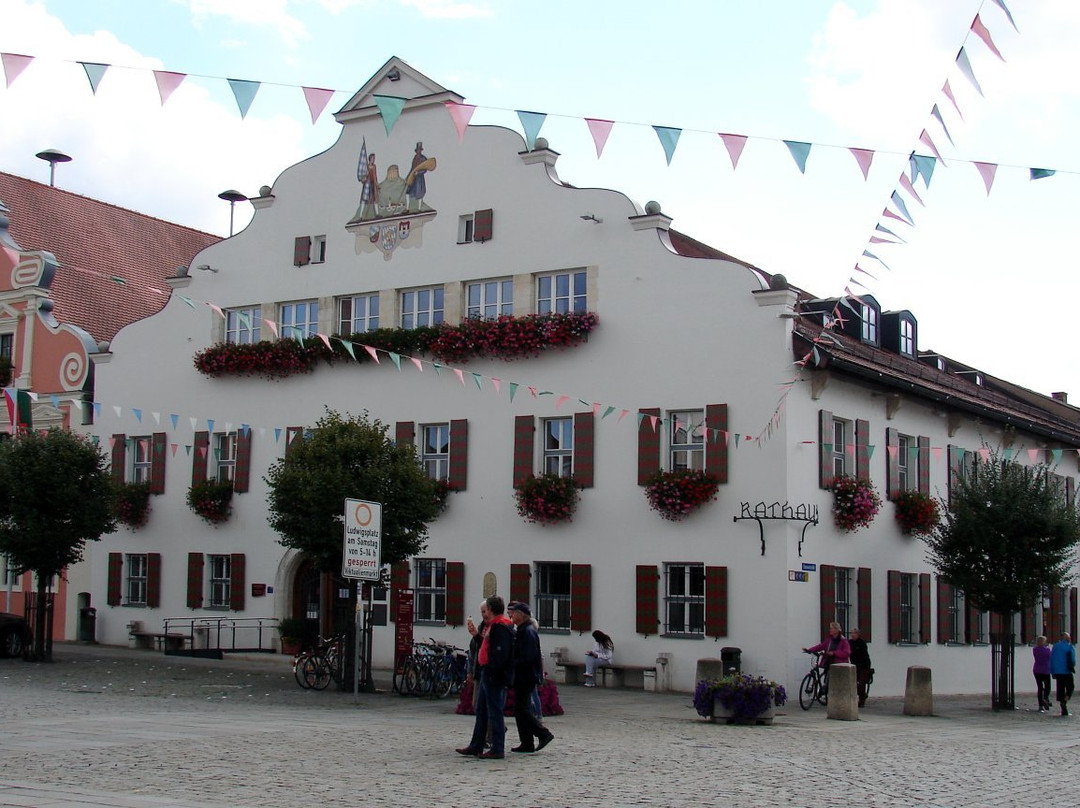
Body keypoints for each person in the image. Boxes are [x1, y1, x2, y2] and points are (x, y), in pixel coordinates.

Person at [456, 595, 514, 758]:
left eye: (485, 610)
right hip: (486, 674)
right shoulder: (493, 625)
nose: (483, 613)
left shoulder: (500, 627)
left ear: (491, 609)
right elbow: (487, 646)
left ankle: (497, 748)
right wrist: (476, 635)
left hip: (493, 676)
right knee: (481, 710)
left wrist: (491, 670)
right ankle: (476, 745)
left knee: (494, 712)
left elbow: (499, 654)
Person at [507, 602, 555, 753]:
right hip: (524, 675)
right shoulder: (523, 630)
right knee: (522, 708)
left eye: (513, 613)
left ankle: (543, 733)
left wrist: (510, 662)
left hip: (525, 675)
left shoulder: (527, 632)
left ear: (521, 615)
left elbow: (527, 657)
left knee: (521, 709)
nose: (511, 615)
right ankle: (527, 742)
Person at [803, 621, 851, 694]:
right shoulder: (829, 639)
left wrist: (834, 653)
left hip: (838, 664)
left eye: (832, 628)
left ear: (836, 630)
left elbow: (846, 653)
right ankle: (825, 690)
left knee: (832, 680)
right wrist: (809, 650)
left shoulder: (843, 641)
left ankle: (829, 691)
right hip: (828, 661)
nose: (830, 630)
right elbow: (821, 646)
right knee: (827, 677)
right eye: (830, 628)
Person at [1049, 632, 1077, 717]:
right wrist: (1072, 666)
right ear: (1067, 638)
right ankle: (1065, 700)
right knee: (1070, 687)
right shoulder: (1069, 647)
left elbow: (1052, 659)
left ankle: (1062, 705)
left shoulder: (1055, 646)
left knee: (1060, 688)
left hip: (1057, 671)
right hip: (1066, 671)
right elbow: (1072, 659)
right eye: (1069, 637)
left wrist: (1052, 671)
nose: (1070, 638)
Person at [848, 627, 872, 707]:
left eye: (854, 633)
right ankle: (863, 695)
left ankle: (862, 700)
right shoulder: (850, 642)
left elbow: (864, 656)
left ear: (858, 634)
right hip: (854, 665)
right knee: (854, 683)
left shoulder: (862, 643)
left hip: (863, 665)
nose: (852, 635)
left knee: (861, 683)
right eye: (851, 633)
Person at [1033, 635, 1052, 712]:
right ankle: (1045, 698)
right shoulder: (1047, 650)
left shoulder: (1035, 650)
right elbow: (1050, 658)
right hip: (1045, 670)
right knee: (1047, 687)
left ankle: (1040, 705)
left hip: (1037, 670)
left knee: (1040, 688)